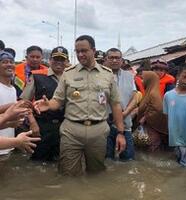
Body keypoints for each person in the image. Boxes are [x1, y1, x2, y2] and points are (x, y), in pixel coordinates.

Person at [34, 35, 126, 176]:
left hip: (99, 130)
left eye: (84, 50)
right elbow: (58, 100)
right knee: (68, 174)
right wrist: (48, 104)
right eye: (77, 51)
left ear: (93, 50)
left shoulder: (107, 75)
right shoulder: (68, 74)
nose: (80, 54)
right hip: (71, 131)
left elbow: (115, 105)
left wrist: (121, 133)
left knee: (97, 173)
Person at [21, 46, 69, 161]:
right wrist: (32, 122)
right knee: (38, 162)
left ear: (67, 62)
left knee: (63, 161)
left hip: (66, 127)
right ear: (50, 60)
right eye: (55, 59)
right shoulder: (37, 76)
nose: (58, 62)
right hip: (42, 126)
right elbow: (23, 103)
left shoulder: (72, 78)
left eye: (62, 59)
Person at [163, 63, 186, 167]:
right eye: (184, 77)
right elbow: (167, 116)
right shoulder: (168, 96)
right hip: (177, 137)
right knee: (183, 164)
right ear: (178, 76)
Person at [104, 48, 136, 161]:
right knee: (106, 161)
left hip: (125, 124)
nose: (114, 60)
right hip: (105, 125)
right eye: (111, 57)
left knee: (128, 160)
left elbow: (135, 97)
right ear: (106, 60)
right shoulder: (100, 76)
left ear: (121, 60)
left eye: (117, 58)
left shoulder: (129, 76)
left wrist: (125, 113)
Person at [137, 71, 168, 152]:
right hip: (149, 128)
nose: (142, 81)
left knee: (152, 149)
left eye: (143, 79)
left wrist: (145, 117)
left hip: (152, 128)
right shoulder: (149, 92)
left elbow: (159, 109)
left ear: (149, 80)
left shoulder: (153, 94)